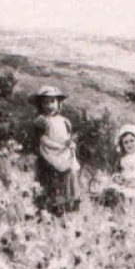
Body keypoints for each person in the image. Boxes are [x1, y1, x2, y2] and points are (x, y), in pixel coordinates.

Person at [30, 86, 81, 215]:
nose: (49, 105)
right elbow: (43, 139)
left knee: (69, 175)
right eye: (45, 102)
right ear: (40, 105)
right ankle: (51, 205)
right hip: (49, 153)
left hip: (64, 153)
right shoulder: (42, 121)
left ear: (58, 103)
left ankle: (69, 203)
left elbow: (67, 137)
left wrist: (70, 144)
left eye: (52, 101)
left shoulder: (64, 121)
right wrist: (57, 146)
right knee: (52, 178)